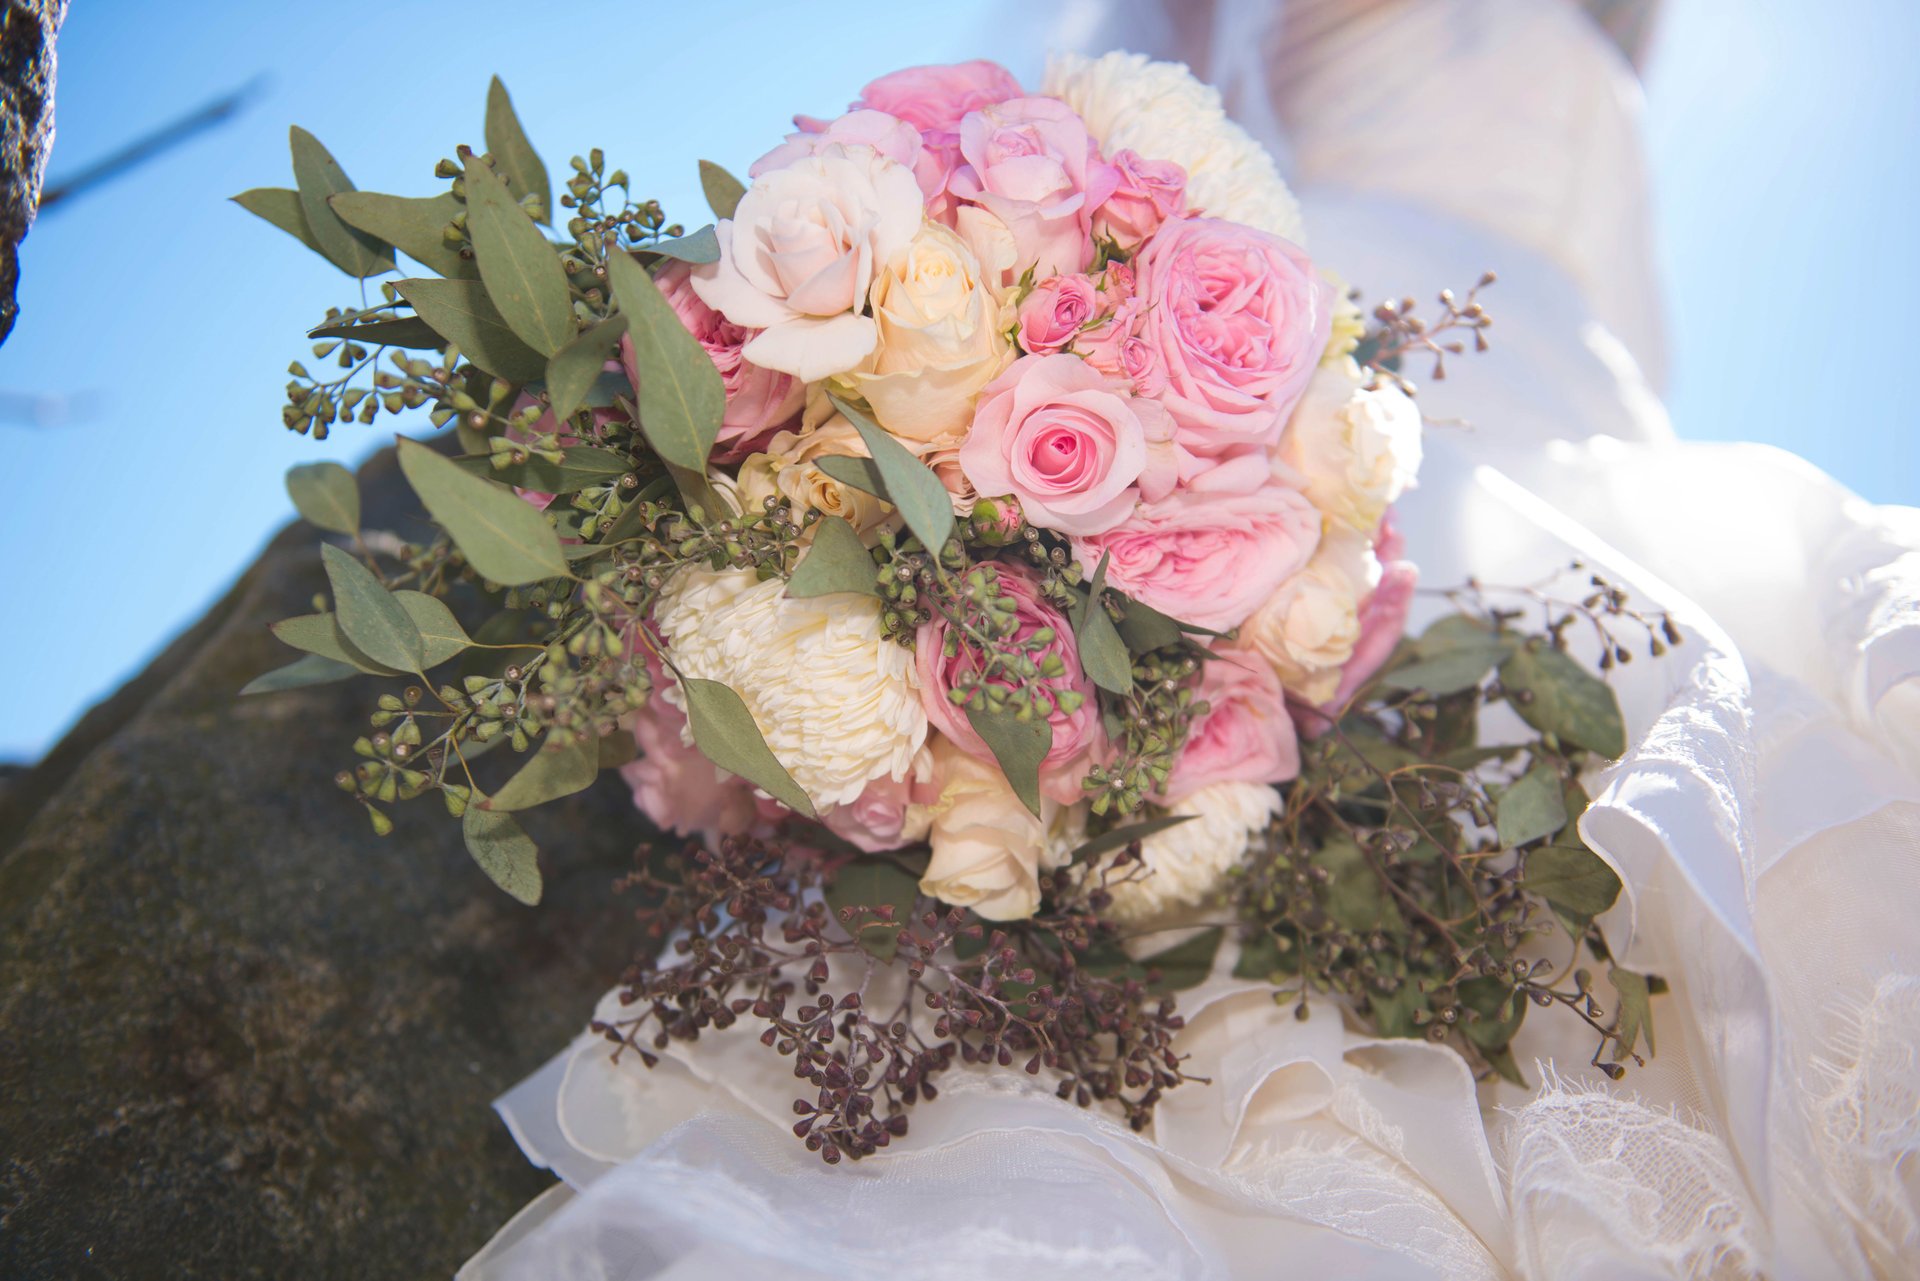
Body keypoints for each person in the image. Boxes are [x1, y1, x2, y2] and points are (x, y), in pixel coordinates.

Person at [466, 4, 1920, 1275]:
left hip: (1435, 380)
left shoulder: (1529, 46)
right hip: (1193, 375)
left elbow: (1602, 333)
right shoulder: (1115, 33)